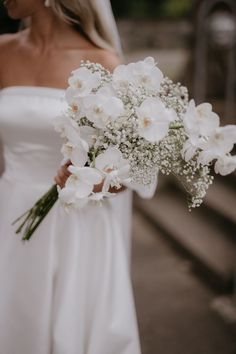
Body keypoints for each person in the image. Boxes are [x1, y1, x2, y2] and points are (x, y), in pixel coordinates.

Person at [0, 1, 155, 353]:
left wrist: (100, 180)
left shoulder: (104, 64)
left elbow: (129, 170)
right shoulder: (2, 52)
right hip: (8, 212)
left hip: (77, 226)